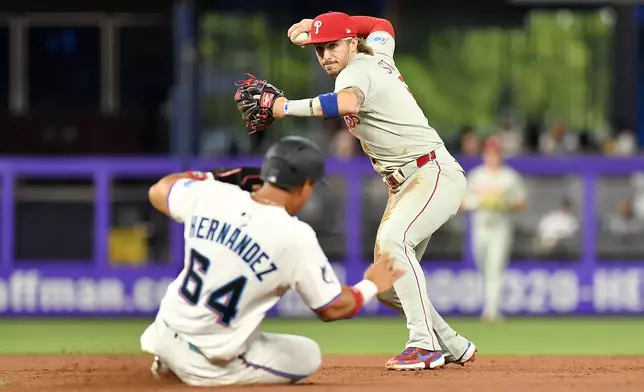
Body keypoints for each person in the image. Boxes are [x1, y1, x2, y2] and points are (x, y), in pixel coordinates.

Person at [234, 11, 477, 371]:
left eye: (332, 45)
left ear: (351, 43)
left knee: (395, 242)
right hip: (410, 181)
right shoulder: (378, 54)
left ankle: (424, 345)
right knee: (386, 282)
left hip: (430, 173)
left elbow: (346, 103)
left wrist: (284, 108)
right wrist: (321, 24)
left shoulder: (355, 70)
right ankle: (452, 344)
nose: (326, 55)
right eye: (319, 49)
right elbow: (383, 26)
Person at [140, 135, 404, 386]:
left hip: (162, 333)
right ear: (306, 185)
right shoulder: (294, 235)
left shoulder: (213, 195)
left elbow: (159, 191)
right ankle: (194, 368)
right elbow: (332, 307)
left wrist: (213, 177)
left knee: (244, 333)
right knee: (307, 355)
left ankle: (168, 361)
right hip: (206, 363)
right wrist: (370, 285)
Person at [461, 137, 527, 322]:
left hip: (500, 227)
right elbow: (462, 203)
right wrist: (479, 201)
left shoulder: (509, 176)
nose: (493, 156)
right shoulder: (477, 175)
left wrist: (504, 202)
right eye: (490, 152)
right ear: (485, 154)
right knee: (482, 266)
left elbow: (521, 203)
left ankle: (491, 310)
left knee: (495, 268)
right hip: (480, 226)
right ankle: (489, 305)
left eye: (496, 152)